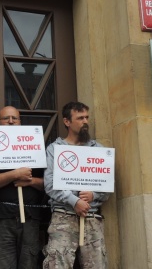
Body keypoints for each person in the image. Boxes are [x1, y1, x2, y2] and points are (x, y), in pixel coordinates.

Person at [43, 101, 110, 269]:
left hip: (92, 218)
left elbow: (107, 186)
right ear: (67, 122)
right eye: (80, 118)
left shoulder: (98, 150)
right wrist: (74, 201)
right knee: (57, 264)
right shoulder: (55, 149)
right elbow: (50, 184)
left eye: (87, 117)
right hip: (63, 217)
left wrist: (94, 195)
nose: (85, 121)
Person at [0, 106, 45, 268]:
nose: (11, 121)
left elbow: (47, 184)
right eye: (6, 118)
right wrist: (15, 174)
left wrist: (29, 181)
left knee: (29, 263)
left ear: (20, 122)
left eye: (15, 118)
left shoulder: (35, 148)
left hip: (30, 218)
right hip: (0, 219)